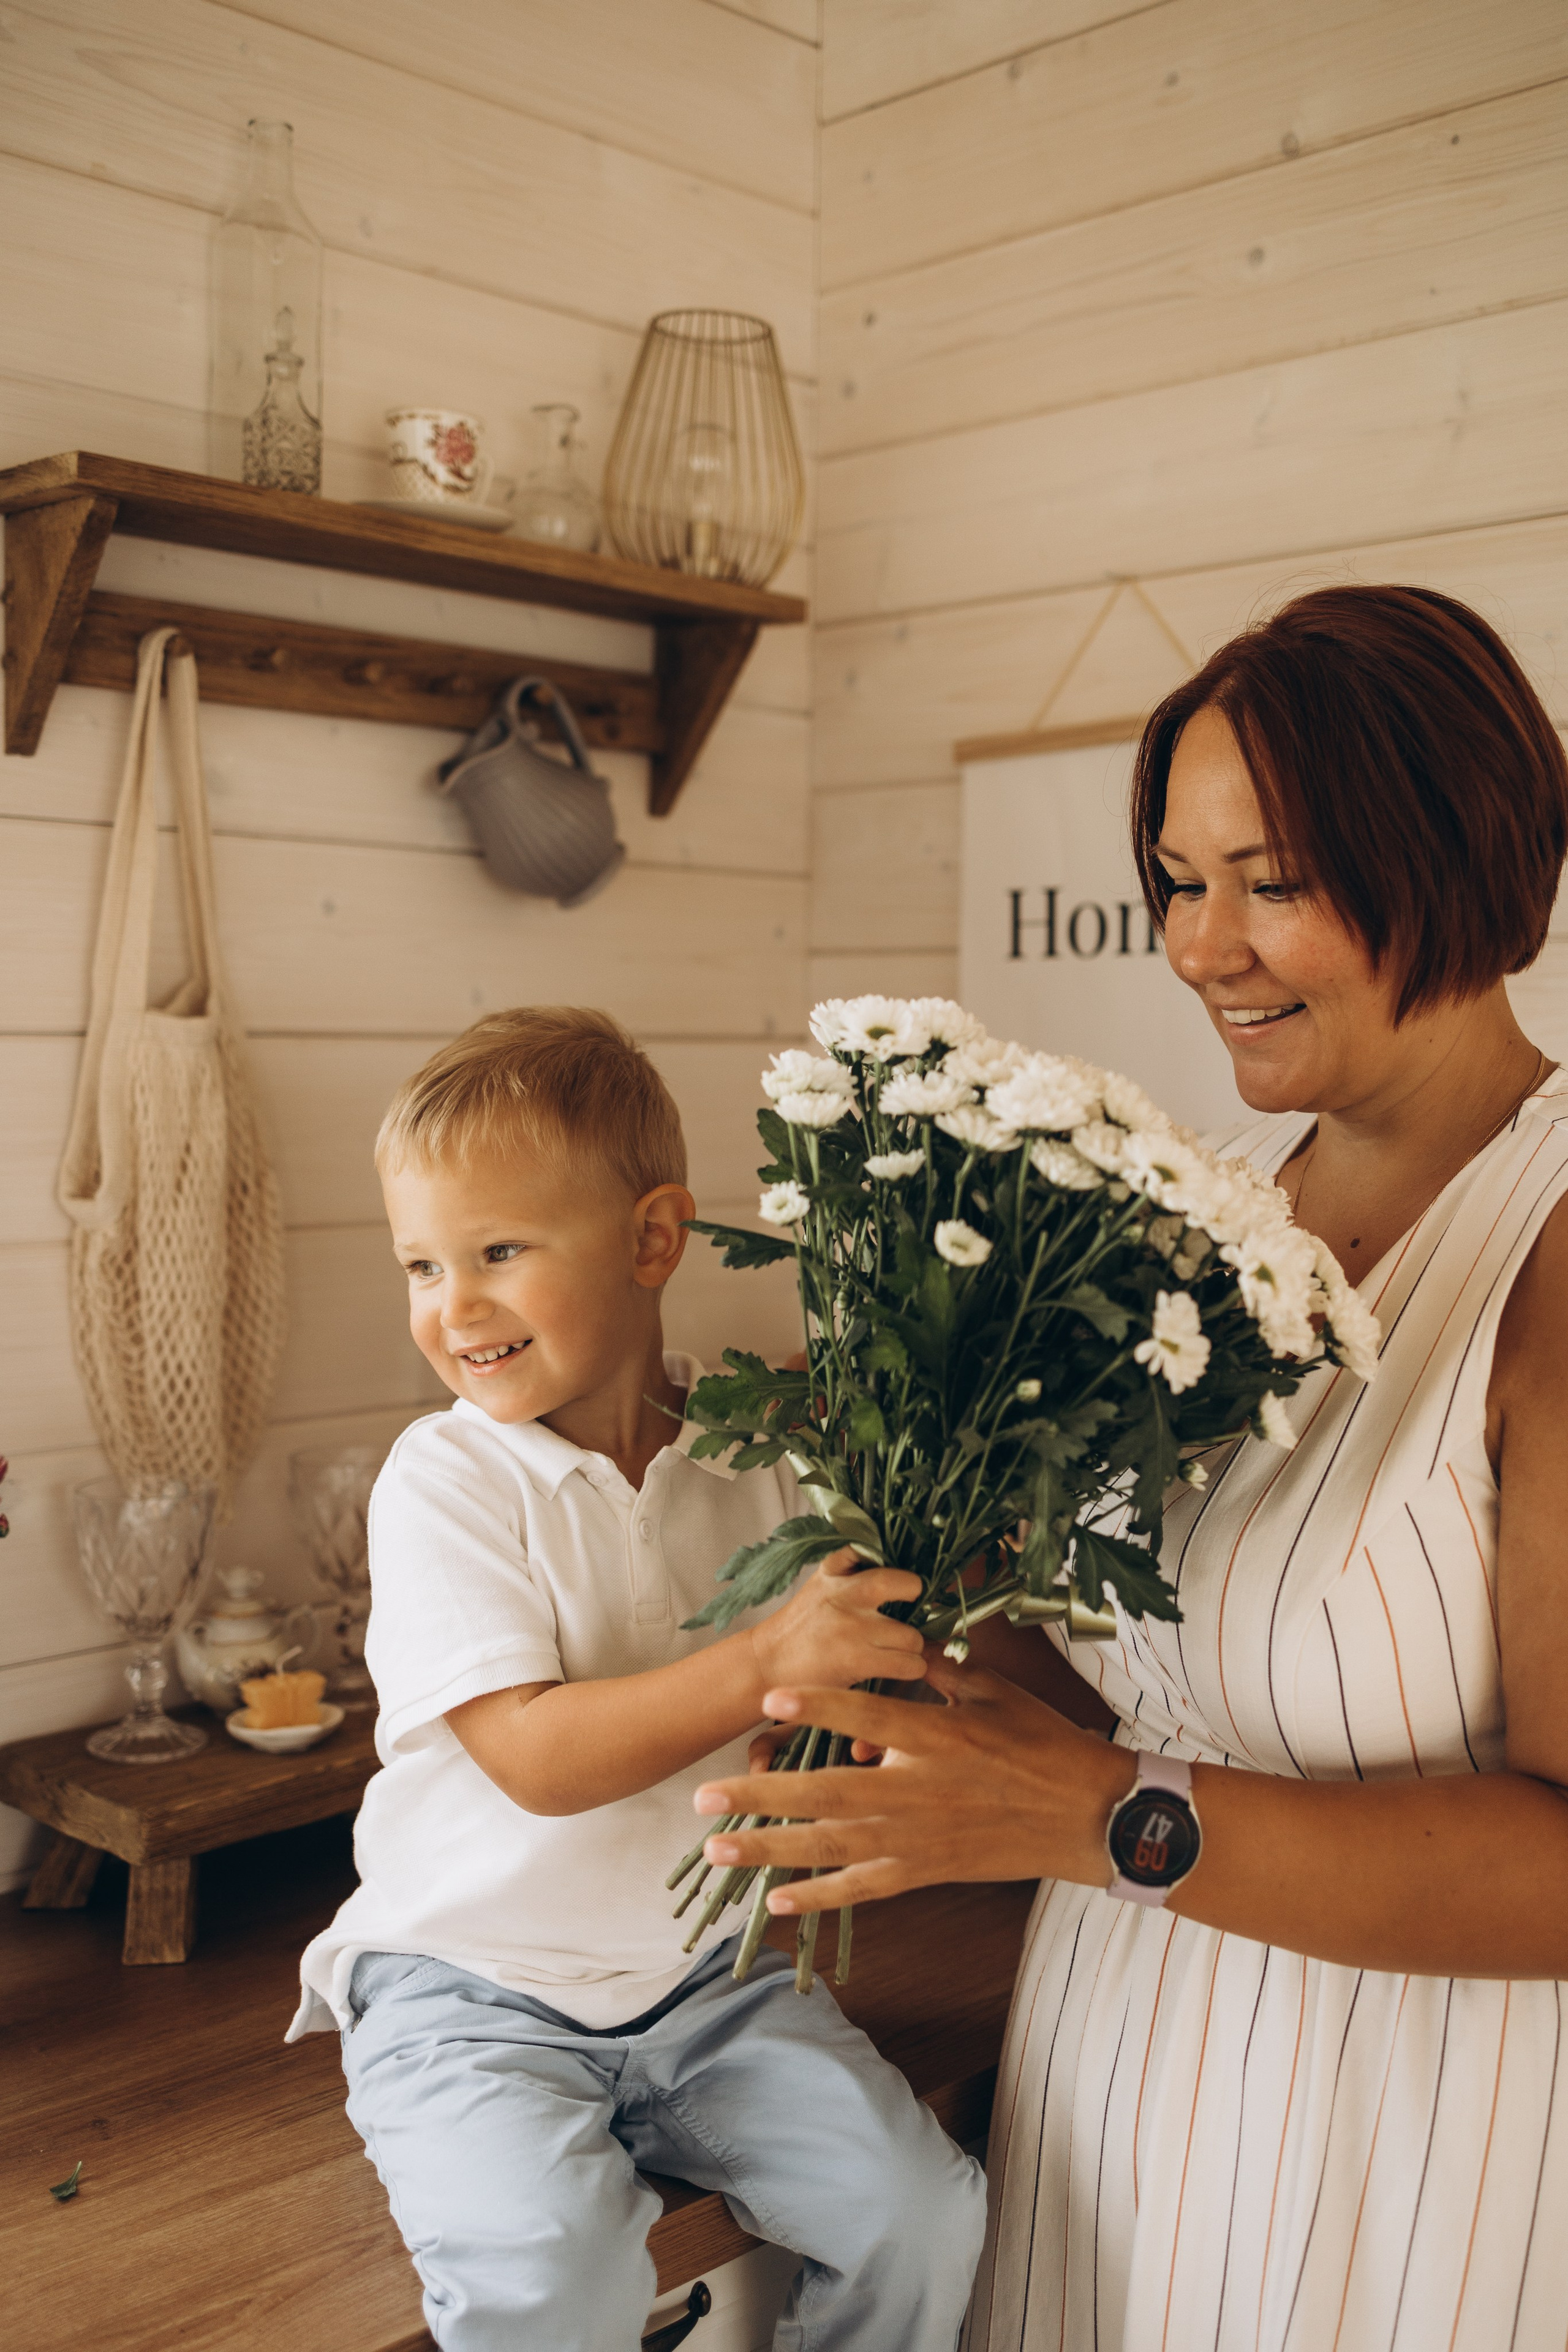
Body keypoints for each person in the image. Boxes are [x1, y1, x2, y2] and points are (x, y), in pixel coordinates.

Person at [692, 586, 1568, 2349]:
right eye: (1179, 878)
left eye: (1279, 879)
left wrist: (1093, 1820)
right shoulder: (1196, 1232)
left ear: (1464, 855)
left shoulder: (1545, 1248)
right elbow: (1130, 1660)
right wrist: (901, 1612)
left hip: (1404, 2175)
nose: (1201, 945)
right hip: (1110, 2115)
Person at [286, 1008, 986, 2352]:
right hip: (467, 1992)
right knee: (554, 2275)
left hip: (704, 1981)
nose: (455, 1306)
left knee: (926, 2212)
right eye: (422, 1265)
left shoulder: (753, 1442)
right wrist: (764, 1660)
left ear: (653, 1240)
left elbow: (818, 1695)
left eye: (500, 1252)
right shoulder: (446, 1479)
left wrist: (847, 1707)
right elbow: (537, 1761)